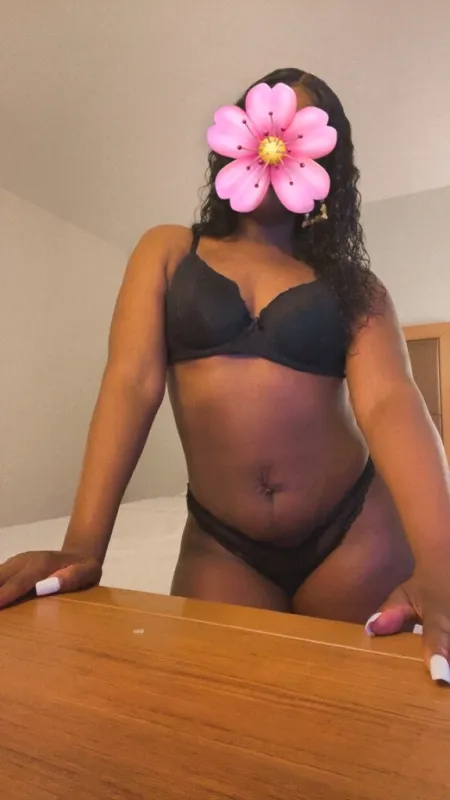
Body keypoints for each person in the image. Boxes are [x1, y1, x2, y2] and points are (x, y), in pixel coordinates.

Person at [1, 68, 450, 680]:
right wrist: (83, 546)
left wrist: (441, 567)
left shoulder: (356, 288)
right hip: (223, 545)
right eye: (265, 122)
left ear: (326, 160)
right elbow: (131, 384)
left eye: (299, 129)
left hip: (355, 533)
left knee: (367, 718)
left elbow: (390, 404)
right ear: (235, 135)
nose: (275, 142)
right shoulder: (167, 251)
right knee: (211, 714)